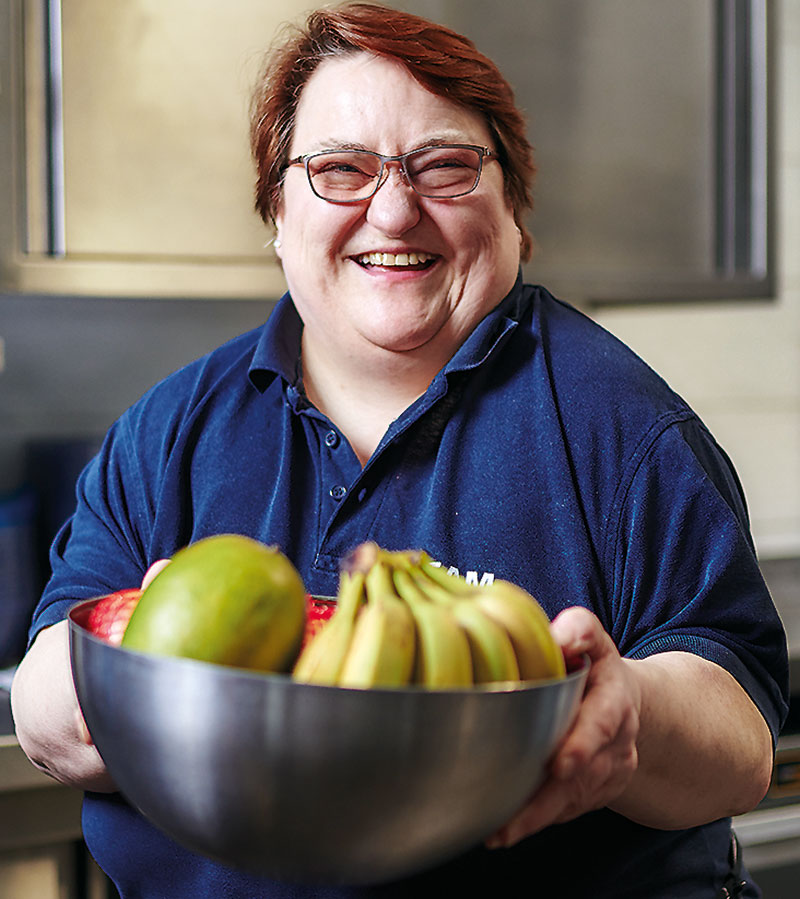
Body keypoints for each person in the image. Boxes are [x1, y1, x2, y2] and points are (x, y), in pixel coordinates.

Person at [11, 3, 788, 896]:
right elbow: (43, 700)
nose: (393, 208)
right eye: (339, 170)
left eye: (446, 167)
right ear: (276, 212)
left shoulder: (629, 432)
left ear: (515, 213)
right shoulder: (166, 432)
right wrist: (127, 673)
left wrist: (629, 714)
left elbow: (742, 737)